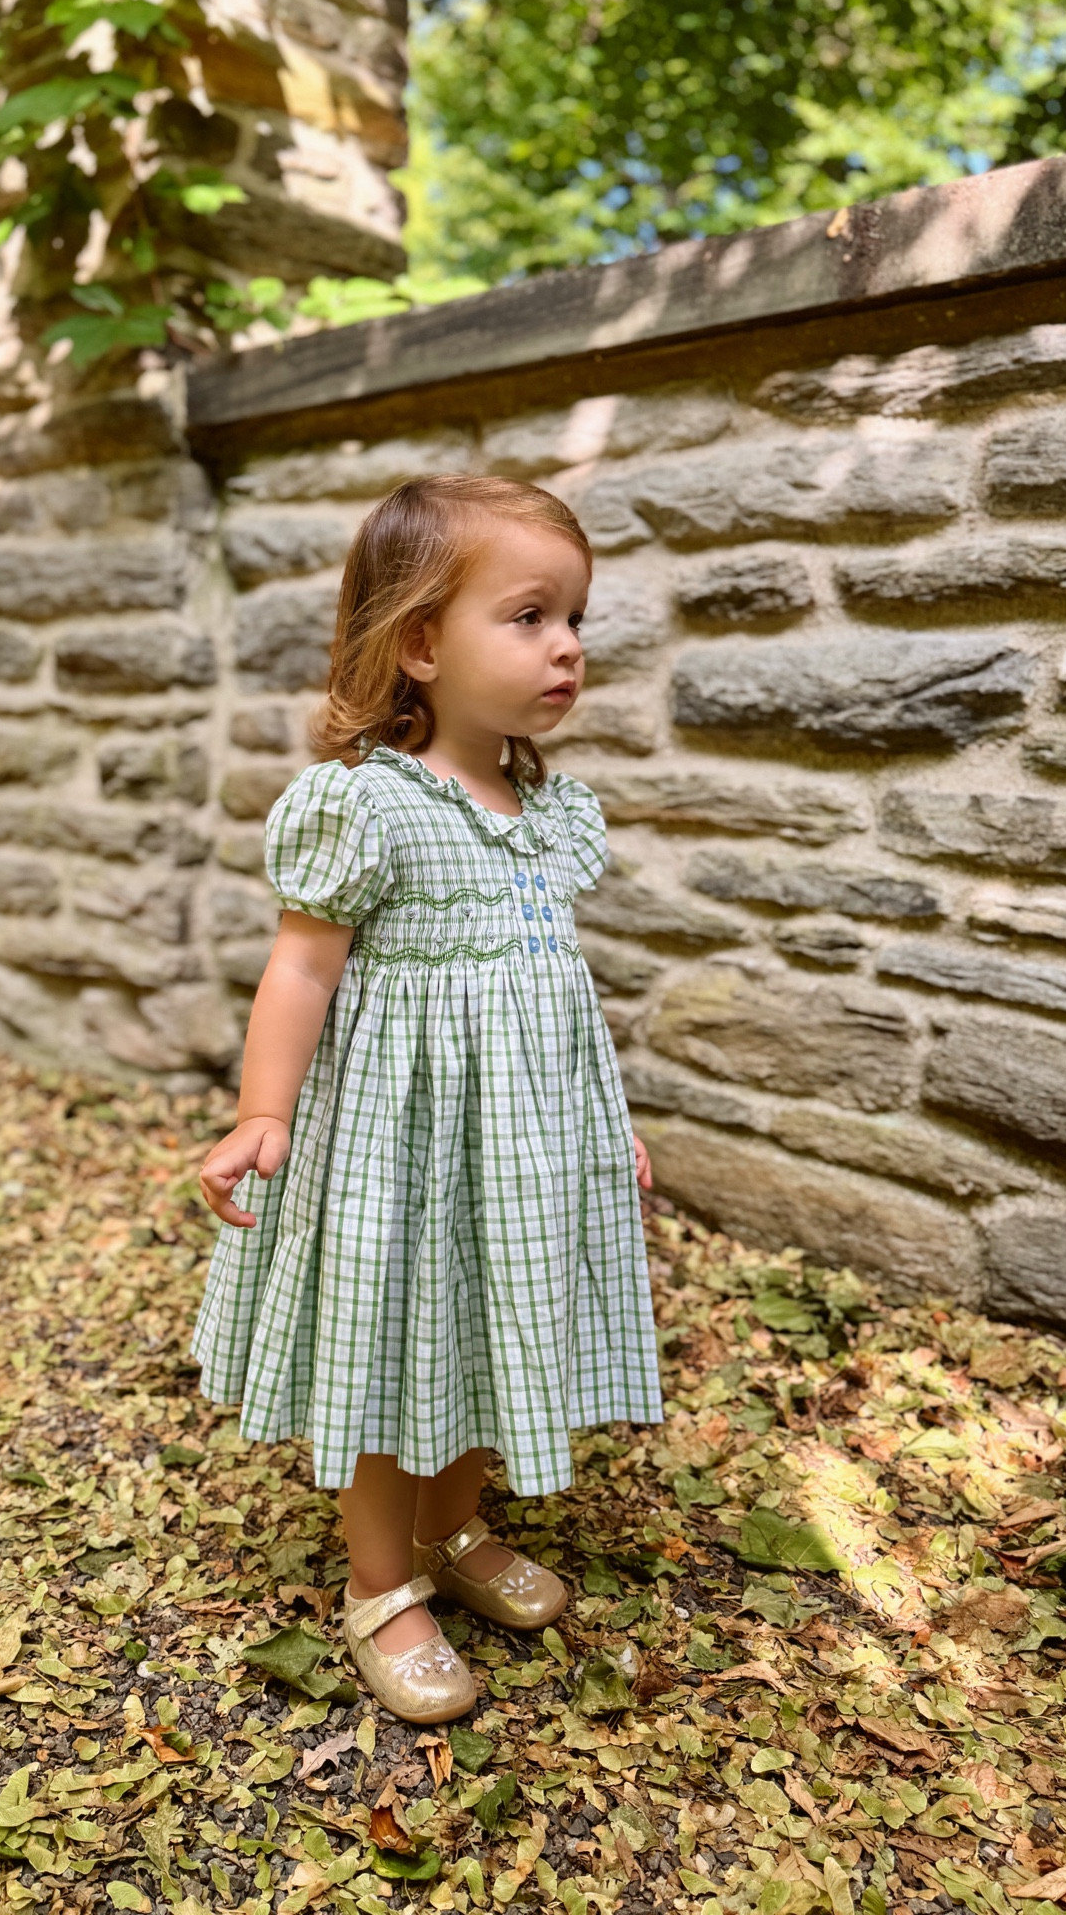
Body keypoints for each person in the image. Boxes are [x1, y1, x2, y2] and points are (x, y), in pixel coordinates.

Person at [194, 474, 664, 1724]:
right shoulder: (367, 803)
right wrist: (262, 1110)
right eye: (529, 615)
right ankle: (380, 1583)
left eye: (576, 617)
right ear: (418, 643)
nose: (568, 645)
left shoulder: (547, 813)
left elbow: (557, 999)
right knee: (391, 1343)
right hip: (397, 1145)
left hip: (516, 1146)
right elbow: (301, 966)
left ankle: (454, 1530)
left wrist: (606, 1128)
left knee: (480, 1330)